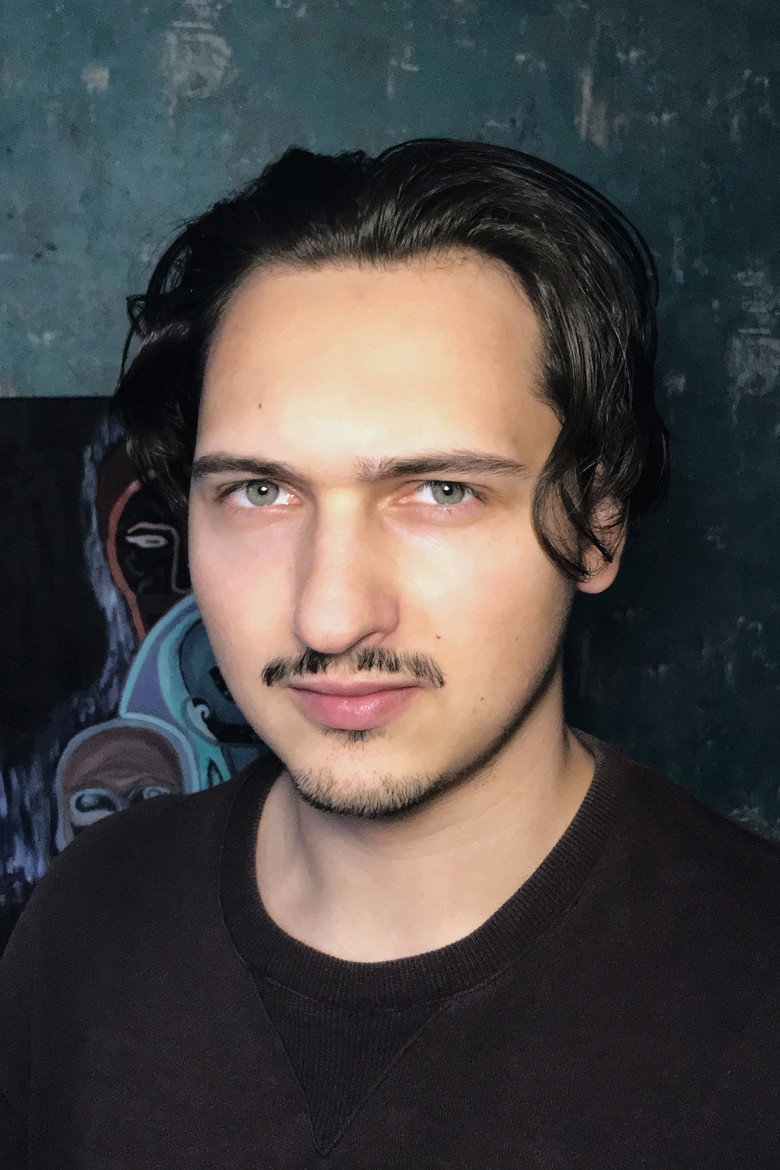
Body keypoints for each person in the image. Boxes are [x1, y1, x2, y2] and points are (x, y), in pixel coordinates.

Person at [1, 138, 777, 1168]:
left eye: (441, 491)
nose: (329, 618)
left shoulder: (754, 991)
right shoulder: (88, 917)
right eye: (260, 491)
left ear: (598, 526)